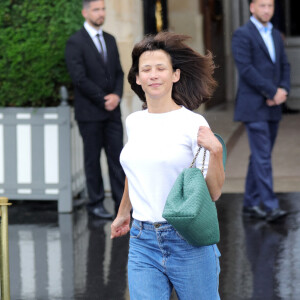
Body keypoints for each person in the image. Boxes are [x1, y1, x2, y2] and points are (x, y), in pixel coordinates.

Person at [111, 32, 225, 299]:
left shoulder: (192, 124)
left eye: (160, 68)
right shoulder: (134, 121)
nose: (153, 75)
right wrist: (123, 212)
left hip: (186, 239)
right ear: (137, 78)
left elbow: (215, 192)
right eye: (146, 69)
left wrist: (216, 152)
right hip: (142, 239)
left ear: (175, 75)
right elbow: (135, 171)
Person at [65, 0, 125, 219]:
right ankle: (96, 204)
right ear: (85, 12)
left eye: (103, 9)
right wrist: (103, 99)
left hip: (112, 112)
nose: (101, 13)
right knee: (92, 159)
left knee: (118, 158)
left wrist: (116, 96)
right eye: (96, 10)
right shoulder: (75, 42)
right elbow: (79, 78)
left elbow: (119, 72)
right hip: (90, 113)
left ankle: (122, 204)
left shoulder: (110, 39)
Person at [232, 0, 290, 222]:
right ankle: (269, 205)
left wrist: (283, 89)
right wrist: (271, 92)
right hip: (253, 105)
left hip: (274, 105)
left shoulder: (276, 34)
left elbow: (284, 64)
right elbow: (246, 69)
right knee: (262, 156)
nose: (267, 10)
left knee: (259, 156)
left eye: (270, 6)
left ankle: (250, 202)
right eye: (262, 5)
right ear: (252, 7)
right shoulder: (242, 34)